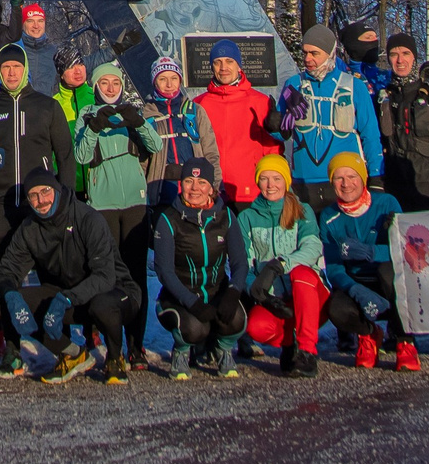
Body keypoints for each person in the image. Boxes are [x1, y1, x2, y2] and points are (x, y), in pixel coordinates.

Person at [0, 43, 77, 304]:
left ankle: (55, 331)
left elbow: (65, 155)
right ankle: (8, 336)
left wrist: (67, 199)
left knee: (50, 267)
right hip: (0, 203)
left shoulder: (46, 106)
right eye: (6, 67)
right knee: (4, 272)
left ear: (25, 69)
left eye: (16, 66)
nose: (12, 73)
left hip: (40, 203)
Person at [0, 164, 131, 383]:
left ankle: (115, 357)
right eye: (33, 196)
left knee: (103, 305)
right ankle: (73, 353)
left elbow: (105, 275)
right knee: (17, 299)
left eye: (45, 192)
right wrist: (11, 295)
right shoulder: (29, 228)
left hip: (112, 291)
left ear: (56, 190)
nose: (41, 201)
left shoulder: (87, 218)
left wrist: (67, 298)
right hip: (65, 295)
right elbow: (6, 270)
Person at [135, 56, 219, 311]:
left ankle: (204, 301)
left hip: (195, 189)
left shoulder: (194, 110)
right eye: (163, 79)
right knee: (171, 253)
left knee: (197, 251)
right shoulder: (146, 114)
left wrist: (214, 185)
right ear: (154, 82)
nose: (169, 84)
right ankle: (174, 304)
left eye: (173, 78)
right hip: (162, 190)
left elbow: (211, 151)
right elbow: (141, 160)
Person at [318, 152, 417, 372]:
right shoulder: (328, 216)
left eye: (352, 176)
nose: (346, 184)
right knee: (336, 308)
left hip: (387, 277)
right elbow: (333, 266)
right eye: (339, 178)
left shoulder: (386, 203)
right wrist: (355, 289)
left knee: (388, 273)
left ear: (363, 178)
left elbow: (406, 252)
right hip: (357, 281)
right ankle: (369, 334)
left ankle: (405, 341)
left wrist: (370, 252)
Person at [233, 151, 327, 377]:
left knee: (302, 273)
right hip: (275, 297)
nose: (270, 185)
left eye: (276, 178)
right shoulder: (247, 218)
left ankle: (307, 351)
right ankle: (288, 344)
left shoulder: (301, 211)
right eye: (264, 178)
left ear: (286, 180)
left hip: (310, 295)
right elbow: (243, 263)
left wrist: (281, 264)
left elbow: (313, 248)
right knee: (257, 327)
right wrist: (257, 291)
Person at [73, 61, 162, 296]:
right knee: (108, 271)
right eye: (105, 83)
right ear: (96, 86)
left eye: (115, 83)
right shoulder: (87, 113)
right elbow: (81, 157)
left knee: (136, 274)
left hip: (136, 203)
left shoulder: (130, 111)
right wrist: (93, 128)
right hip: (103, 203)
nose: (111, 89)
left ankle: (136, 331)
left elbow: (156, 145)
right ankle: (111, 325)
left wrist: (140, 123)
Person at [152, 158, 247, 378]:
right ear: (181, 184)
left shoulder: (226, 216)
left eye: (201, 182)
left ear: (211, 188)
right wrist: (192, 302)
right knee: (196, 329)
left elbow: (240, 262)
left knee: (237, 319)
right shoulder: (168, 219)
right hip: (179, 298)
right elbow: (164, 271)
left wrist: (233, 292)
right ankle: (182, 351)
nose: (194, 188)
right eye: (188, 181)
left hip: (215, 291)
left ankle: (223, 349)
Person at [281, 25, 384, 213]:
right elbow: (280, 134)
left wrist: (376, 175)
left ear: (329, 53)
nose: (307, 59)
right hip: (303, 180)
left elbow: (370, 134)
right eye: (304, 53)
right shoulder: (293, 85)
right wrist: (273, 123)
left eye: (314, 53)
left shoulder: (354, 86)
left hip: (344, 182)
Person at [376, 32, 429, 209]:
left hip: (428, 186)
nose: (400, 60)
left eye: (405, 54)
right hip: (395, 189)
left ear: (414, 57)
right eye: (394, 54)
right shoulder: (384, 96)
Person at [195, 40, 277, 207]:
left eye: (229, 61)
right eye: (217, 62)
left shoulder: (260, 102)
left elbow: (272, 150)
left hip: (250, 193)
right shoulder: (199, 105)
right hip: (211, 193)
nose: (223, 67)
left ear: (239, 65)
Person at [13, 0, 63, 96]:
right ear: (23, 24)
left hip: (46, 106)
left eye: (40, 21)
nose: (36, 26)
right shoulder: (15, 49)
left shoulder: (54, 52)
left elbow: (79, 65)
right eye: (30, 21)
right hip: (19, 106)